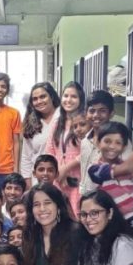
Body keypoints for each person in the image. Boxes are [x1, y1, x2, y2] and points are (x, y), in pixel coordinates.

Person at [20, 183, 79, 265]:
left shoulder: (76, 232)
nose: (42, 209)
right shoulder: (30, 235)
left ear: (58, 206)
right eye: (36, 204)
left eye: (47, 203)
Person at [87, 119, 133, 223]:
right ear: (98, 143)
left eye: (118, 143)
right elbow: (128, 168)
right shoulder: (95, 170)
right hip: (120, 226)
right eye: (107, 141)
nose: (112, 146)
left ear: (124, 147)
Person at [75, 190, 133, 265]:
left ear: (110, 213)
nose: (88, 219)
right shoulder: (88, 242)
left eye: (94, 213)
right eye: (83, 214)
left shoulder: (123, 245)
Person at [45, 80, 86, 214]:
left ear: (81, 100)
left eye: (74, 97)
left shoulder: (84, 123)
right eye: (66, 96)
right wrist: (55, 172)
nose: (68, 100)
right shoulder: (57, 123)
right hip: (59, 180)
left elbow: (89, 151)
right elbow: (50, 150)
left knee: (77, 217)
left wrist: (66, 168)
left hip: (78, 180)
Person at [78, 90, 117, 196]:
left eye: (102, 111)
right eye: (92, 111)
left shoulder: (119, 141)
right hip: (86, 199)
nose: (96, 115)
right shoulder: (85, 141)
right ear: (86, 113)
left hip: (109, 201)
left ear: (111, 113)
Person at [20, 81, 60, 181]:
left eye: (43, 97)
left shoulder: (64, 116)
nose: (39, 101)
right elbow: (26, 156)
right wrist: (27, 180)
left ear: (51, 96)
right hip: (39, 179)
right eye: (35, 99)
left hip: (63, 175)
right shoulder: (31, 124)